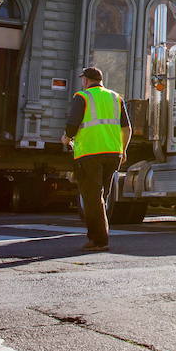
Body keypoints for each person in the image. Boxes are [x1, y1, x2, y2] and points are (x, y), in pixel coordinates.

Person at [61, 66, 131, 253]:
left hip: (90, 153)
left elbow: (73, 123)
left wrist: (66, 138)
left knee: (92, 198)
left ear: (86, 80)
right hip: (112, 154)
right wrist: (123, 150)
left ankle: (99, 240)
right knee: (102, 197)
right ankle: (97, 237)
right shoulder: (116, 98)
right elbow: (127, 129)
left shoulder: (82, 97)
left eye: (83, 79)